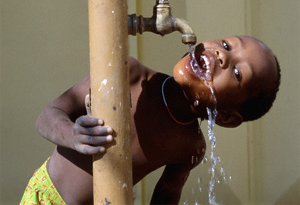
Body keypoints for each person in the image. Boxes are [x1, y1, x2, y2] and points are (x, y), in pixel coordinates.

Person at [21, 36, 280, 205]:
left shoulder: (191, 146)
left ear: (225, 116)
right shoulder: (131, 74)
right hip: (45, 197)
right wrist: (73, 135)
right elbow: (47, 115)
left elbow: (167, 196)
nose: (222, 55)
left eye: (236, 72)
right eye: (225, 44)